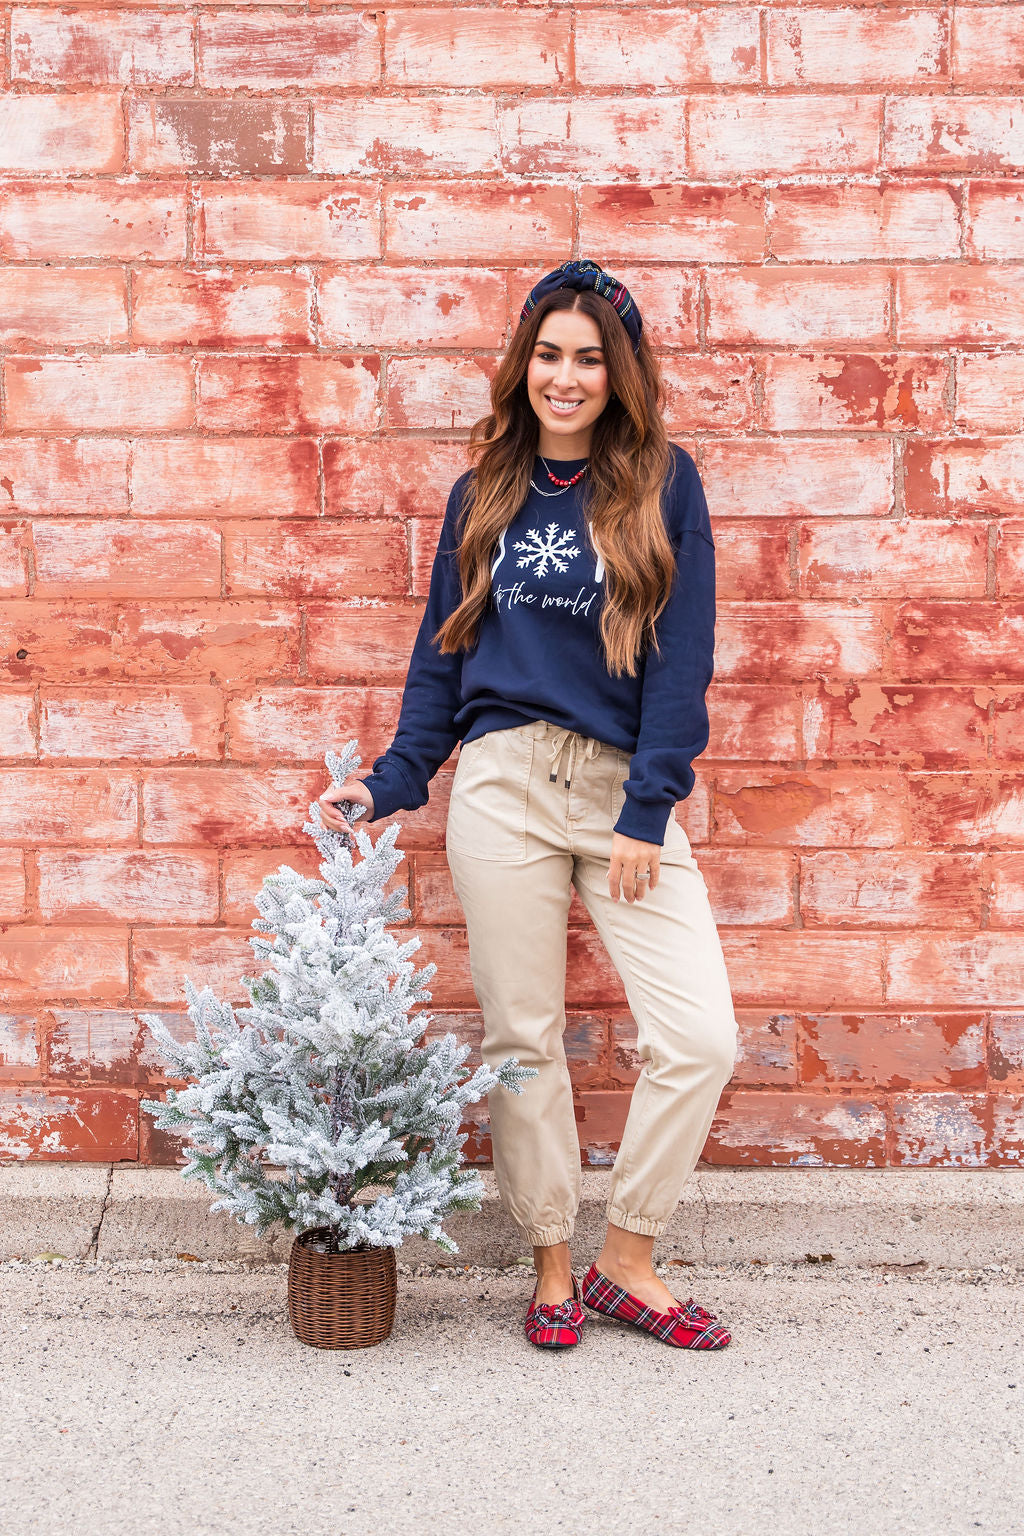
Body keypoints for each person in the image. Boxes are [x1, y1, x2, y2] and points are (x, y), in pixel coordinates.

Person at [319, 258, 738, 1352]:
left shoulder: (665, 483)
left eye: (589, 358)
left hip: (620, 793)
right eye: (548, 354)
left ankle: (626, 1259)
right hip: (502, 786)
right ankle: (552, 1267)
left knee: (700, 1036)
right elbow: (442, 661)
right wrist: (390, 780)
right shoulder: (484, 495)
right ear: (523, 366)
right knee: (523, 1037)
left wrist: (648, 809)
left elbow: (682, 658)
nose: (566, 376)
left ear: (618, 373)